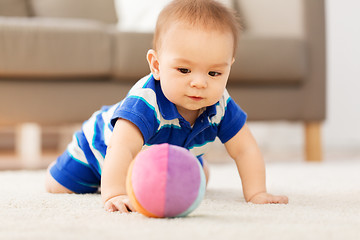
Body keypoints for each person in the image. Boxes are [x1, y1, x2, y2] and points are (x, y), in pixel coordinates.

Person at [45, 0, 288, 212]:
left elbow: (245, 149)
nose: (199, 83)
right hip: (97, 152)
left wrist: (257, 193)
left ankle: (176, 166)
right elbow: (121, 149)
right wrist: (115, 193)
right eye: (184, 70)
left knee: (198, 176)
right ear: (157, 65)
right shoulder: (145, 103)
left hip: (161, 157)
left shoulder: (221, 104)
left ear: (229, 67)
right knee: (57, 186)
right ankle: (99, 180)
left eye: (214, 73)